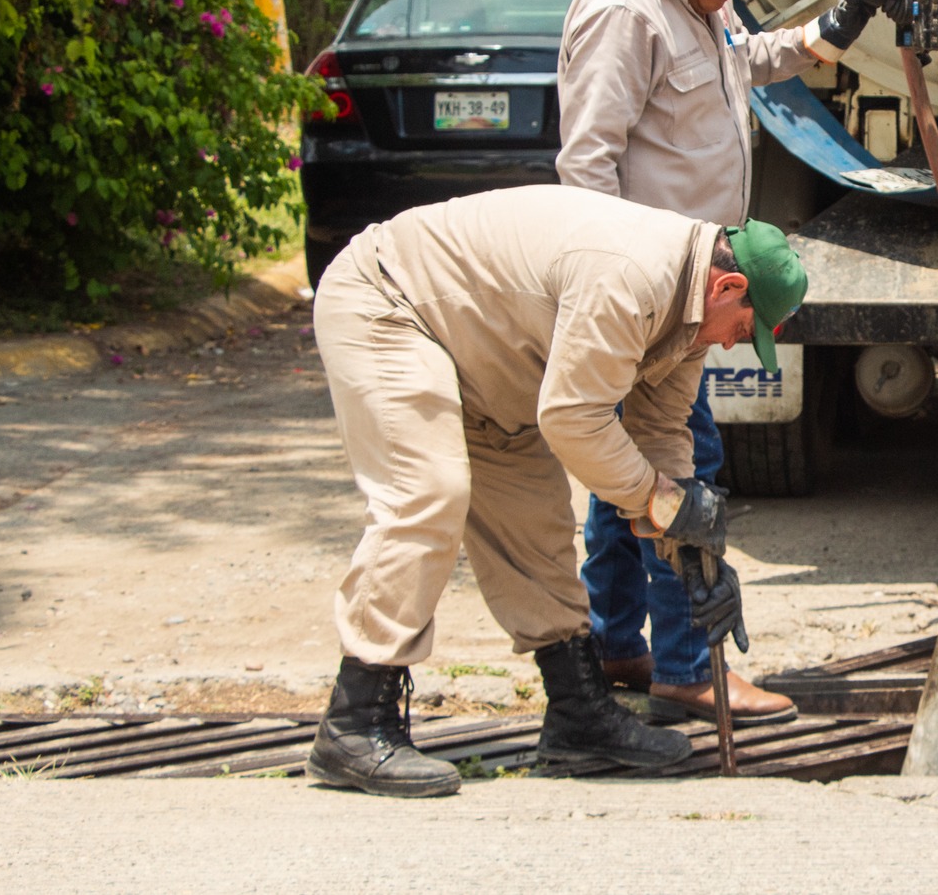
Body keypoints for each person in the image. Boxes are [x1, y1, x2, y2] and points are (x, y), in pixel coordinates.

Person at [305, 184, 807, 798]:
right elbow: (575, 420)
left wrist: (692, 554)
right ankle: (355, 723)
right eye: (743, 329)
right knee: (428, 494)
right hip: (392, 305)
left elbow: (660, 434)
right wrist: (664, 502)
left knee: (538, 525)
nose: (732, 344)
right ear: (727, 289)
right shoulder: (631, 276)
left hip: (491, 363)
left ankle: (578, 715)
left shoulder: (692, 313)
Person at [557, 0, 906, 725]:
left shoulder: (700, 1)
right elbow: (585, 167)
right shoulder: (625, 10)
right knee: (685, 475)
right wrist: (617, 295)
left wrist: (829, 33)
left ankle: (613, 643)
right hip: (652, 297)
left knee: (624, 478)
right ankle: (686, 669)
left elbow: (742, 65)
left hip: (691, 286)